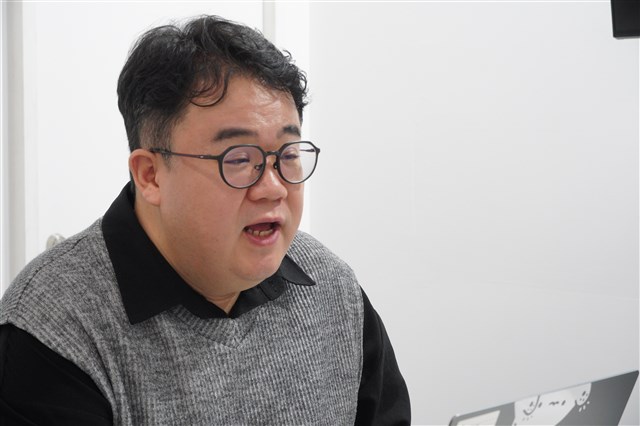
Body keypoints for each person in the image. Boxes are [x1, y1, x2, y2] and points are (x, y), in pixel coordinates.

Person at [0, 15, 410, 425]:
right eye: (239, 159)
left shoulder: (333, 289)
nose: (273, 188)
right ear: (150, 175)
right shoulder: (53, 330)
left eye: (287, 154)